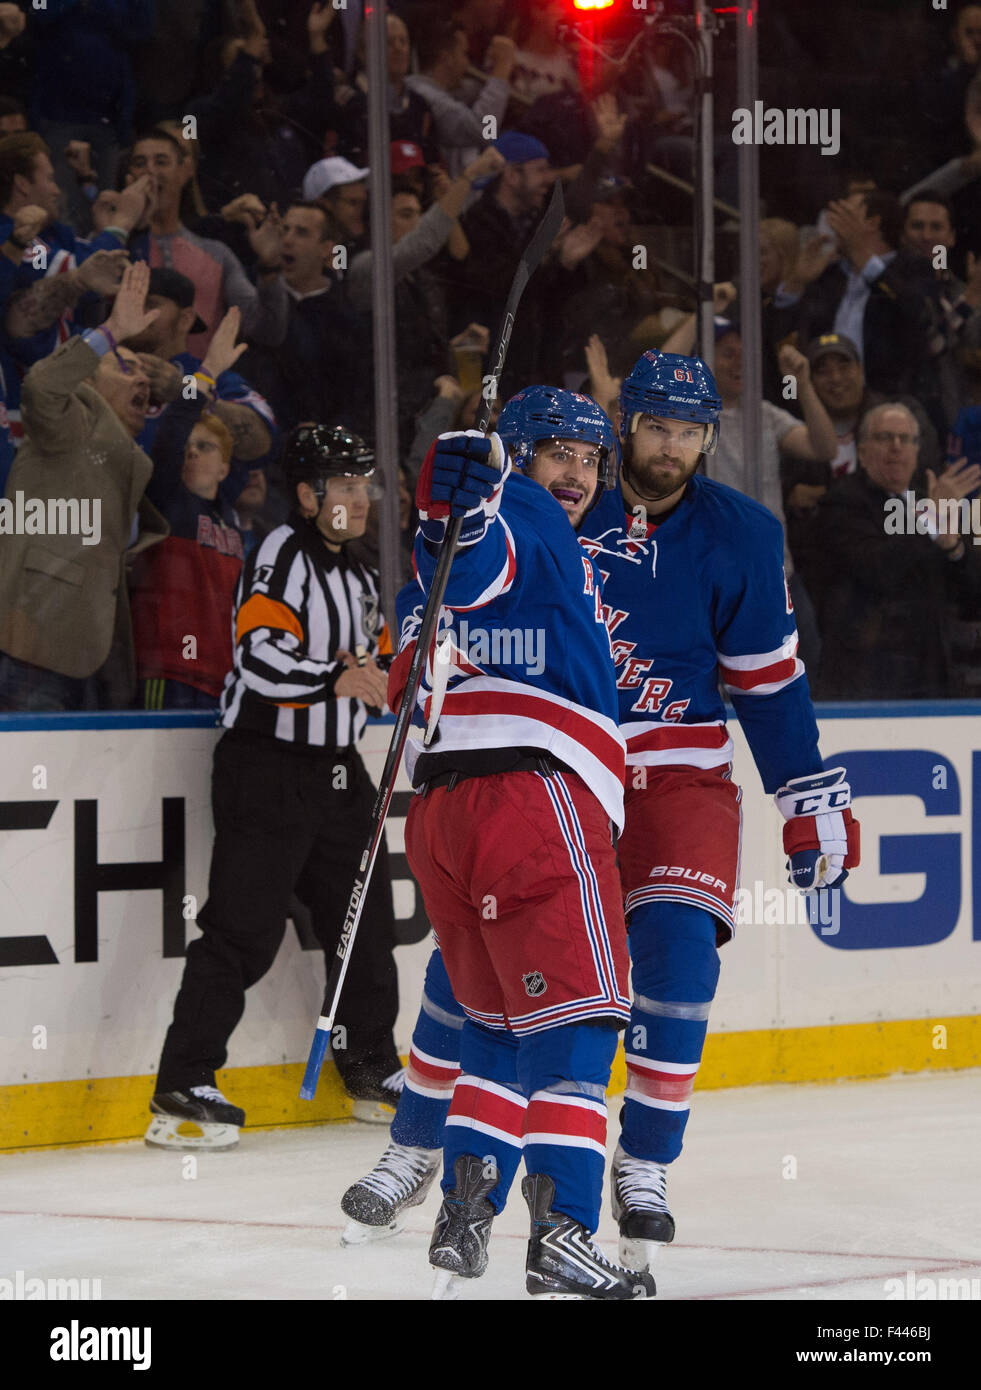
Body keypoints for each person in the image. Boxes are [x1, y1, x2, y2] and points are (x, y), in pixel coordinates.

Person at [341, 358, 861, 1281]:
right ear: (625, 428)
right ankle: (418, 1146)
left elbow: (768, 684)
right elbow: (458, 576)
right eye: (652, 425)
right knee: (485, 974)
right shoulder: (551, 503)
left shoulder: (738, 535)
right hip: (550, 781)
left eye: (687, 429)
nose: (667, 445)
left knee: (677, 959)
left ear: (708, 438)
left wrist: (804, 795)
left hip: (671, 774)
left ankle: (644, 1165)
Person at [374, 391, 655, 1300]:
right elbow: (484, 561)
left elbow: (424, 634)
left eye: (588, 459)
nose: (574, 475)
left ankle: (467, 1209)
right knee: (577, 1020)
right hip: (532, 795)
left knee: (495, 1027)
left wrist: (441, 517)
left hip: (447, 813)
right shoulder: (518, 511)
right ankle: (566, 1231)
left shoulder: (480, 536)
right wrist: (460, 504)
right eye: (556, 454)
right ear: (518, 457)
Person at [146, 424, 403, 1149]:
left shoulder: (356, 574)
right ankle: (182, 1083)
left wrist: (401, 671)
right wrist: (336, 676)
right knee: (241, 931)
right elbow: (259, 657)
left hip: (335, 771)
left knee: (364, 928)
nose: (357, 497)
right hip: (266, 768)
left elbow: (378, 662)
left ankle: (369, 1066)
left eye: (363, 484)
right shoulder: (279, 557)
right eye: (343, 485)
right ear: (306, 494)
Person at [0, 261, 168, 712]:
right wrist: (110, 332)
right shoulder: (72, 420)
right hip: (31, 647)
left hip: (93, 657)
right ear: (89, 381)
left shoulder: (126, 456)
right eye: (125, 367)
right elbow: (41, 384)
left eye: (144, 373)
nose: (142, 379)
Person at [812, 402, 981, 700]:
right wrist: (929, 521)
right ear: (862, 452)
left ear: (917, 452)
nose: (896, 447)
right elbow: (878, 569)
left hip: (932, 673)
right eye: (884, 438)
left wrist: (953, 548)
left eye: (906, 439)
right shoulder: (842, 502)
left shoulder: (931, 498)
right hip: (865, 676)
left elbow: (971, 594)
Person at [120, 128, 288, 358]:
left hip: (196, 388)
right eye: (140, 163)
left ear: (185, 170)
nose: (150, 171)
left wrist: (269, 268)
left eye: (161, 161)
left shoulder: (215, 254)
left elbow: (267, 331)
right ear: (129, 175)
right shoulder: (111, 246)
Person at [404, 17, 514, 178]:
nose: (467, 64)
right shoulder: (423, 94)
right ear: (445, 58)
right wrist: (502, 69)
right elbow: (485, 131)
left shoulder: (443, 92)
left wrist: (494, 71)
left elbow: (473, 92)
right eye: (464, 54)